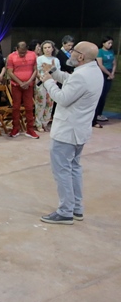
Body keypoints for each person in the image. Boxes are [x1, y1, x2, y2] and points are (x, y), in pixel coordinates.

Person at [39, 41, 103, 225]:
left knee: (62, 171)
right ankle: (76, 207)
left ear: (81, 56)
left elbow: (62, 98)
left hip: (67, 132)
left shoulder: (81, 76)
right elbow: (70, 80)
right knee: (74, 168)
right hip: (79, 131)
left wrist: (48, 81)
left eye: (73, 51)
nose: (70, 53)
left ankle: (65, 211)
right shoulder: (93, 71)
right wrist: (53, 72)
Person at [6, 41, 38, 139]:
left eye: (24, 52)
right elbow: (10, 72)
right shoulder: (11, 56)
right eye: (20, 52)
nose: (22, 54)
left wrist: (28, 82)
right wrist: (20, 82)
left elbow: (35, 70)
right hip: (16, 85)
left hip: (29, 85)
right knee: (16, 107)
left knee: (29, 107)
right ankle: (15, 128)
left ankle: (30, 129)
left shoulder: (33, 55)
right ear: (17, 49)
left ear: (27, 49)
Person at [34, 40, 61, 133]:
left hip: (52, 83)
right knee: (40, 103)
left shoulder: (56, 60)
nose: (47, 49)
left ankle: (45, 123)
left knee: (49, 104)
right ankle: (38, 123)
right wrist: (40, 77)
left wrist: (55, 81)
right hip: (41, 83)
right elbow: (36, 71)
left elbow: (58, 72)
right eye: (45, 48)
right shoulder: (39, 59)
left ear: (52, 48)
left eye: (49, 47)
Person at [93, 36, 116, 126]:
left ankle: (100, 113)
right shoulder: (100, 51)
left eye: (111, 43)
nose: (110, 45)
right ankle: (96, 113)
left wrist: (112, 73)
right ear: (103, 43)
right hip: (102, 73)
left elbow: (114, 63)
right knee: (100, 94)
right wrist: (108, 74)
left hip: (110, 73)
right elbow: (100, 64)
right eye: (108, 43)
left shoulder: (111, 51)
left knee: (105, 94)